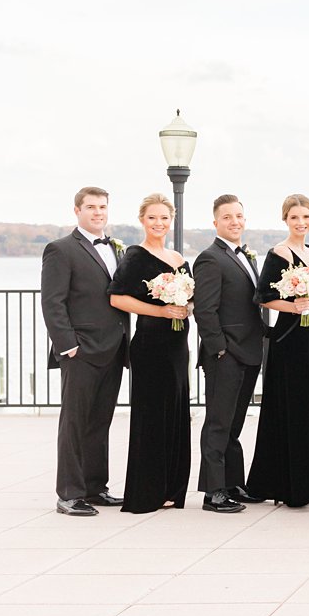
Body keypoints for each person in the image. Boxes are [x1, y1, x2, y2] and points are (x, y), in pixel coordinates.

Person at [40, 186, 130, 516]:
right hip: (81, 352)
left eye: (103, 207)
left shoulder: (117, 250)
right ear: (77, 211)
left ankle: (95, 487)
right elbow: (52, 302)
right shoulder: (61, 249)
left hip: (114, 348)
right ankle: (69, 493)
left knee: (100, 422)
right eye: (91, 207)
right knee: (75, 422)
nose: (98, 213)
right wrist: (68, 346)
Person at [106, 194, 192, 514]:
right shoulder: (135, 256)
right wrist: (161, 311)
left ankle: (171, 488)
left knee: (176, 415)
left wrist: (186, 308)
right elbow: (117, 298)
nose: (159, 223)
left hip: (177, 347)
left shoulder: (179, 258)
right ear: (142, 219)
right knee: (153, 418)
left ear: (172, 220)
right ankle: (148, 491)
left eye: (164, 218)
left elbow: (190, 299)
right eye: (152, 217)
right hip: (151, 346)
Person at [248, 194, 309, 508]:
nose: (301, 223)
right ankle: (281, 485)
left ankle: (305, 486)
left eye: (306, 217)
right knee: (286, 409)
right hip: (288, 339)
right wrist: (293, 307)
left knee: (307, 407)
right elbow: (262, 296)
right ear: (285, 220)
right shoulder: (278, 253)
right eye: (295, 217)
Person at [192, 194, 267, 514]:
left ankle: (233, 483)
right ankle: (213, 491)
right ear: (215, 223)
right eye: (227, 217)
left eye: (239, 216)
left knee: (235, 423)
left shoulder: (246, 256)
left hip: (249, 351)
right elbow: (205, 311)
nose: (234, 222)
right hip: (226, 354)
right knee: (218, 423)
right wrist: (219, 349)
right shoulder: (210, 258)